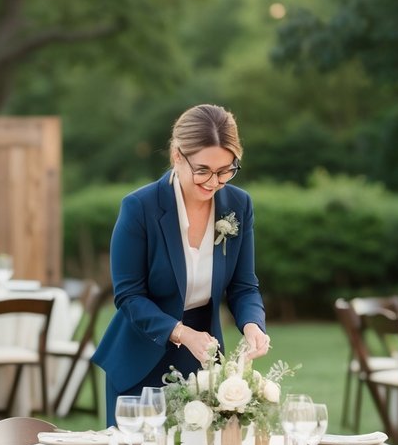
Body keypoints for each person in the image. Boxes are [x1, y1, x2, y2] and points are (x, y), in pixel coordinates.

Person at [93, 103, 269, 425]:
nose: (214, 182)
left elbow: (244, 286)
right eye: (202, 170)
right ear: (177, 156)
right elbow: (129, 296)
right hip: (140, 357)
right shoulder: (139, 208)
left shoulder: (239, 206)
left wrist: (253, 325)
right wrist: (182, 333)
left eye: (225, 170)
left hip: (202, 361)